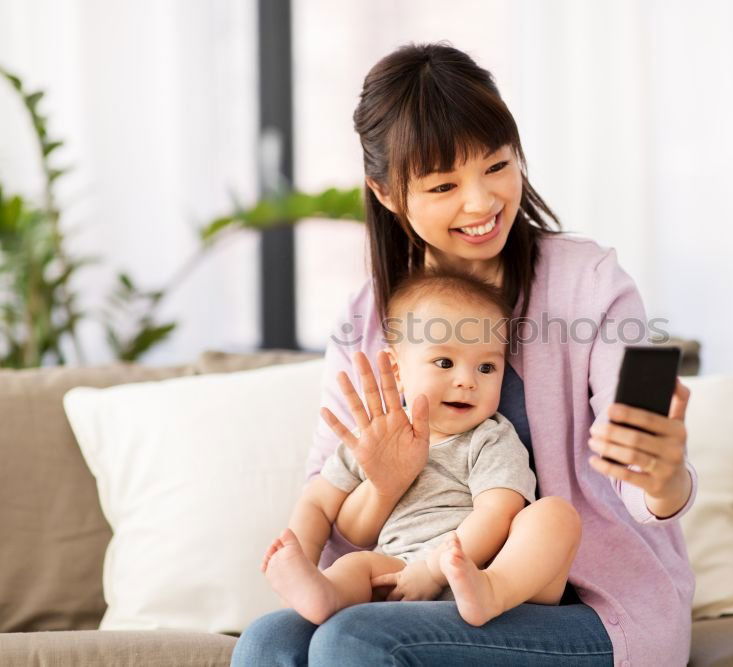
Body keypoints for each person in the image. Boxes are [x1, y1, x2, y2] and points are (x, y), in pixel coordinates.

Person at [232, 41, 697, 667]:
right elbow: (336, 516)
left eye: (497, 167)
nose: (481, 203)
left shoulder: (588, 283)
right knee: (268, 642)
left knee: (355, 642)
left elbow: (638, 477)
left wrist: (662, 478)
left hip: (584, 605)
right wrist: (384, 483)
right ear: (388, 193)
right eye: (445, 184)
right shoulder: (367, 320)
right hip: (414, 581)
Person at [260, 268, 582, 628]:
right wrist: (301, 557)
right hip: (400, 572)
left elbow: (498, 512)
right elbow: (318, 502)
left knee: (554, 515)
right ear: (397, 370)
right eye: (444, 362)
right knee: (355, 567)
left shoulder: (488, 438)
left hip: (484, 568)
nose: (467, 381)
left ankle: (493, 592)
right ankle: (323, 595)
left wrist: (436, 570)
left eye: (487, 367)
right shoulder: (375, 435)